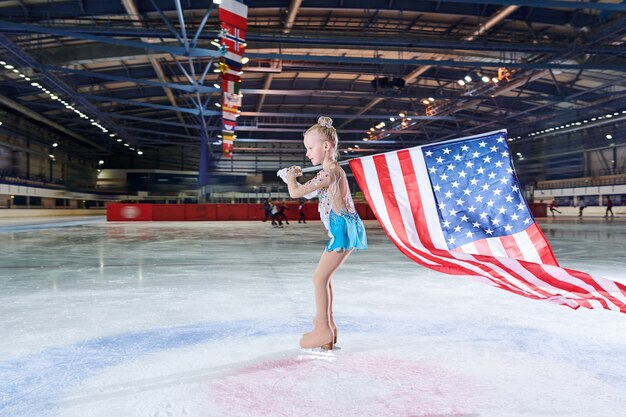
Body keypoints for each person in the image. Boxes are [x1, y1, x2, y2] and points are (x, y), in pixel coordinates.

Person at [285, 116, 367, 350]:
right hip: (345, 226)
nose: (308, 154)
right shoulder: (331, 170)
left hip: (342, 229)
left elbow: (296, 193)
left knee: (319, 278)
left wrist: (291, 177)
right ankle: (328, 328)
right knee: (324, 278)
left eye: (310, 148)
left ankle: (322, 330)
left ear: (326, 146)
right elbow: (311, 192)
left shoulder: (328, 172)